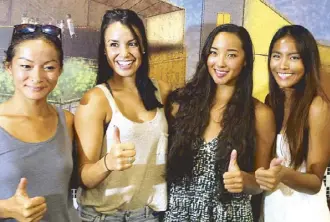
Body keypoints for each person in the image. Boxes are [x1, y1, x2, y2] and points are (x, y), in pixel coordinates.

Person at [164, 24, 276, 222]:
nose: (220, 63)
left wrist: (244, 180)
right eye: (214, 53)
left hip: (231, 215)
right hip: (179, 214)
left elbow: (260, 183)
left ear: (246, 61)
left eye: (231, 55)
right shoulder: (180, 105)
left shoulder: (260, 114)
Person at [75, 9, 171, 222]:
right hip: (103, 216)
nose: (124, 53)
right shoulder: (96, 99)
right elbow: (85, 178)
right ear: (105, 51)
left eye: (132, 43)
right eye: (114, 44)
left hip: (149, 215)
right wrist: (107, 163)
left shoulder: (162, 91)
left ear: (143, 46)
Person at [0, 24, 80, 221]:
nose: (37, 77)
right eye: (26, 66)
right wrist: (6, 209)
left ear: (60, 70)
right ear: (9, 67)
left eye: (49, 67)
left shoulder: (67, 121)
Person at [255, 25, 330, 222]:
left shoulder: (317, 106)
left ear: (308, 62)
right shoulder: (271, 101)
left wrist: (283, 174)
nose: (283, 65)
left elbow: (315, 182)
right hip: (273, 209)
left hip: (306, 213)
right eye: (276, 56)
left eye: (294, 57)